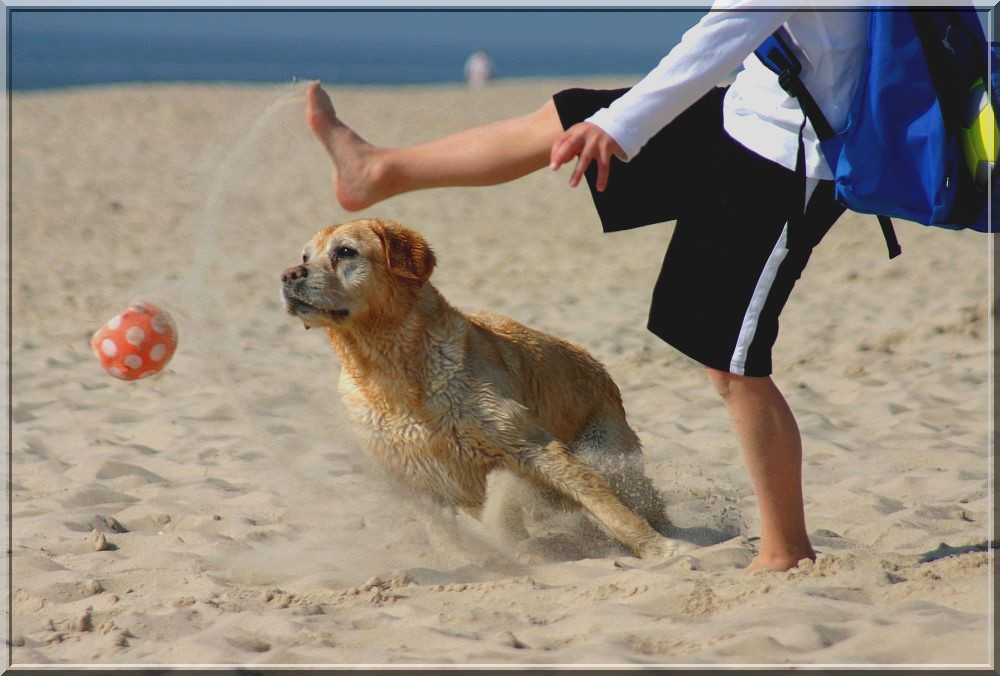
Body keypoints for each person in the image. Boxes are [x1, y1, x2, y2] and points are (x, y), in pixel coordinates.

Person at [303, 1, 868, 572]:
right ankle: (380, 170)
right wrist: (606, 120)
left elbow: (723, 32)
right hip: (750, 106)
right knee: (568, 116)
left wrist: (620, 124)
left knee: (729, 358)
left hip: (796, 149)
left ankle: (785, 549)